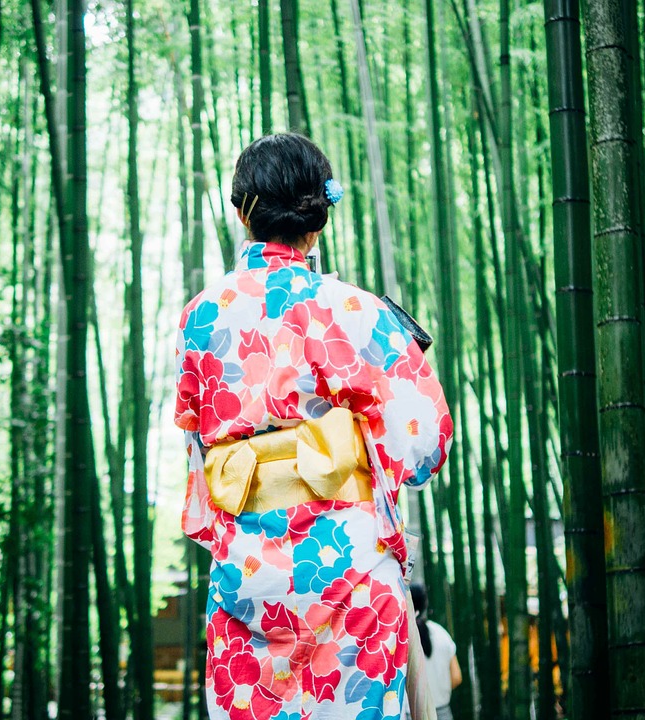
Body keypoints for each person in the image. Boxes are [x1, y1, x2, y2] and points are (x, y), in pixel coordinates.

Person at [174, 133, 453, 720]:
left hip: (245, 574)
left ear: (242, 210)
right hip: (350, 569)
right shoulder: (354, 309)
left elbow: (199, 446)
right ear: (318, 218)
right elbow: (426, 443)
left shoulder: (199, 317)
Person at [409, 584, 462, 720]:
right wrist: (437, 692)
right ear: (425, 604)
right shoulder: (441, 633)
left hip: (411, 714)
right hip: (442, 713)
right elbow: (456, 677)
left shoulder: (400, 637)